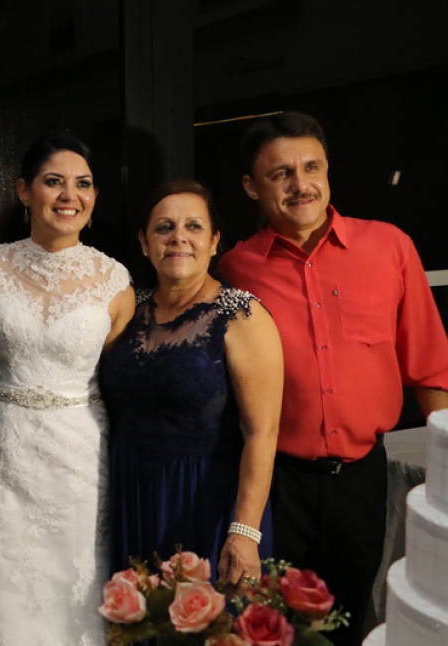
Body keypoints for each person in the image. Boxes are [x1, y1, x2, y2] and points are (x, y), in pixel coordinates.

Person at [220, 112, 448, 645]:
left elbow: (430, 365)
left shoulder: (389, 247)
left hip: (361, 482)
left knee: (346, 623)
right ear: (252, 186)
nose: (301, 185)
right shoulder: (235, 269)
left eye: (311, 167)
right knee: (269, 630)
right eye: (281, 174)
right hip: (275, 484)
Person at [0, 133, 135, 645]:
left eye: (82, 184)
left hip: (78, 459)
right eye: (54, 182)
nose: (69, 196)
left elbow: (120, 377)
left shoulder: (115, 281)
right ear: (24, 191)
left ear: (95, 196)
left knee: (73, 592)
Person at [100, 180, 282, 592]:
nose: (178, 237)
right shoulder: (128, 310)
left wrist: (244, 531)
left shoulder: (242, 315)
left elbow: (262, 432)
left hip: (207, 504)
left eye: (194, 226)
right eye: (164, 227)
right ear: (144, 242)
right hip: (132, 501)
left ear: (214, 241)